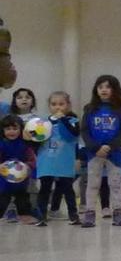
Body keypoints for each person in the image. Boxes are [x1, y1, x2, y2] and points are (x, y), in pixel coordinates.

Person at [80, 75, 121, 229]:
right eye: (100, 87)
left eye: (108, 87)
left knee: (115, 183)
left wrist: (110, 145)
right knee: (93, 183)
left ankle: (117, 211)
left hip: (114, 153)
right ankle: (89, 213)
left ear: (115, 90)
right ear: (96, 90)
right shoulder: (90, 108)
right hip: (94, 153)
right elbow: (85, 131)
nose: (104, 90)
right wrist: (96, 147)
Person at [35, 90, 81, 226]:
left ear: (68, 105)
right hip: (47, 161)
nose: (58, 107)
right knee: (45, 188)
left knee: (67, 189)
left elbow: (73, 134)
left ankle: (73, 215)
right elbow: (36, 139)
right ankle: (41, 216)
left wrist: (62, 119)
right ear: (49, 106)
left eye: (61, 104)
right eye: (54, 104)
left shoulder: (73, 121)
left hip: (64, 161)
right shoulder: (42, 122)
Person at [0, 114, 34, 222]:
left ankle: (24, 214)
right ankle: (5, 213)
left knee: (23, 199)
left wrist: (28, 166)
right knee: (3, 198)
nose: (11, 131)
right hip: (4, 180)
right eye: (8, 129)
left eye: (15, 128)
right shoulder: (2, 144)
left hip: (21, 179)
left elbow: (32, 159)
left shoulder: (25, 144)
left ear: (21, 129)